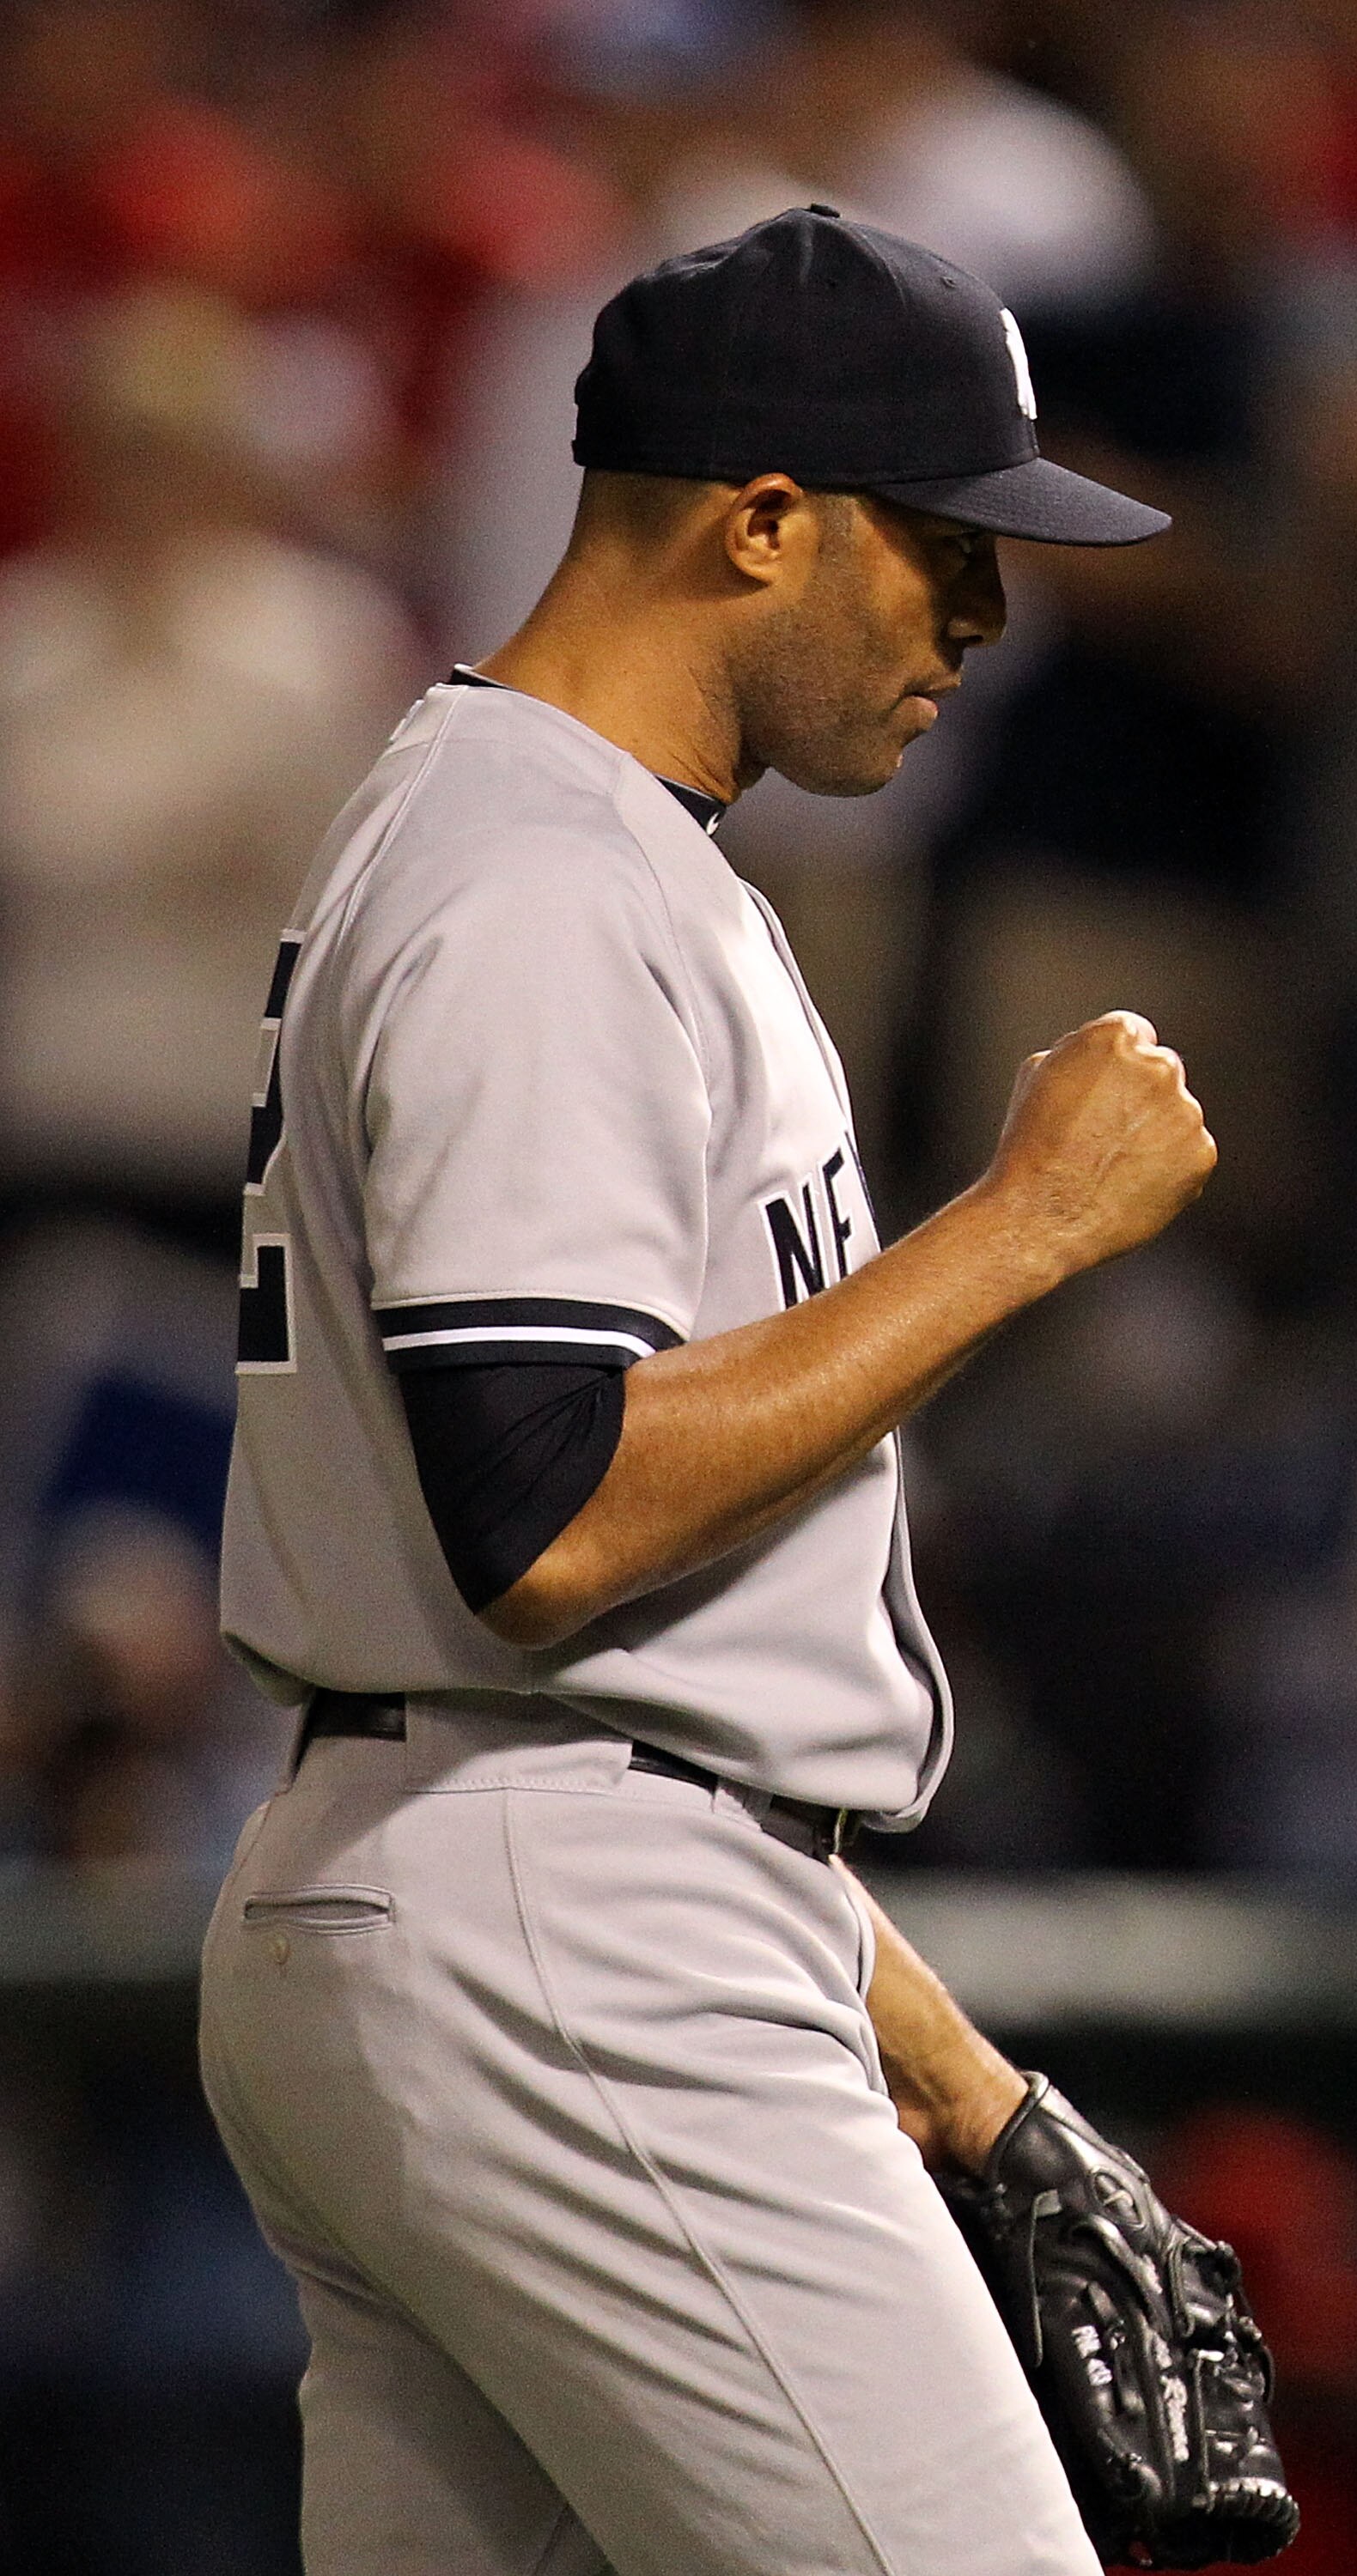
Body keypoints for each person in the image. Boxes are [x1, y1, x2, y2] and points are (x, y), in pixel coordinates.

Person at [198, 207, 1214, 2576]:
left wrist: (962, 2085)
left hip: (472, 1890)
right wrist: (1026, 1222)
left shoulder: (554, 847)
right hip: (574, 1953)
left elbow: (607, 1677)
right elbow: (546, 1520)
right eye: (946, 550)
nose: (987, 619)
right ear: (762, 519)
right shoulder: (540, 879)